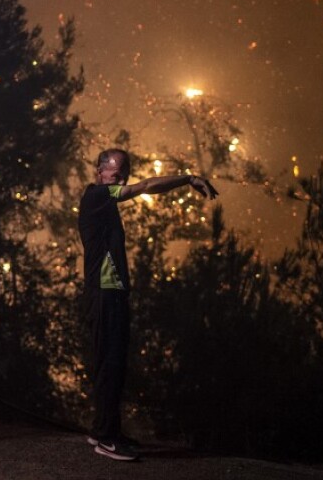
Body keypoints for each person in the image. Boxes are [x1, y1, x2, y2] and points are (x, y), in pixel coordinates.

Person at [78, 148, 219, 461]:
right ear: (100, 173)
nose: (123, 180)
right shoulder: (97, 195)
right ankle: (106, 439)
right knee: (110, 364)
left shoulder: (105, 201)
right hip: (104, 293)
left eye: (124, 174)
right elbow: (143, 187)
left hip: (110, 293)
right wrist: (187, 178)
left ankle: (103, 429)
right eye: (117, 175)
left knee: (111, 363)